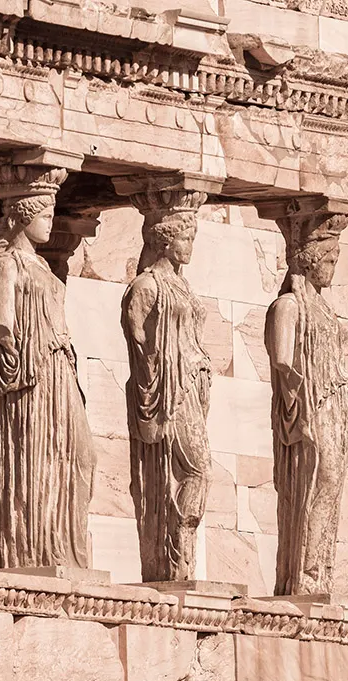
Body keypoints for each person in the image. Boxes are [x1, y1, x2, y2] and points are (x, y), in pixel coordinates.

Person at [0, 166, 95, 568]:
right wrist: (24, 357)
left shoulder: (42, 267)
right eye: (45, 214)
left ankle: (64, 546)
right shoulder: (4, 265)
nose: (50, 221)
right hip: (34, 375)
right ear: (22, 216)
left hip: (60, 369)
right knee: (40, 457)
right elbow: (2, 325)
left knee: (81, 455)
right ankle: (36, 549)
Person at [121, 199, 211, 582]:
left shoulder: (182, 285)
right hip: (169, 392)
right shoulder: (146, 287)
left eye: (193, 237)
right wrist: (159, 377)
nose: (191, 245)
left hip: (193, 385)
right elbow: (139, 341)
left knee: (198, 472)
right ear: (165, 240)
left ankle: (182, 557)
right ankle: (174, 556)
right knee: (199, 470)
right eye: (185, 238)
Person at [266, 215, 348, 596]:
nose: (333, 267)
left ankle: (319, 570)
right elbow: (282, 358)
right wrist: (298, 402)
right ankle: (304, 570)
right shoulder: (287, 306)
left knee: (333, 482)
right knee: (320, 479)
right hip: (310, 406)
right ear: (310, 260)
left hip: (335, 404)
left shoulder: (324, 310)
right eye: (329, 259)